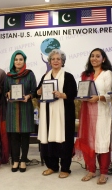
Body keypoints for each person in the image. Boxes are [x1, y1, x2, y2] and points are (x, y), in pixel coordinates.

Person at [74, 48, 112, 184]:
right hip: (87, 114)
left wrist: (98, 97)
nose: (94, 58)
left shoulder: (107, 73)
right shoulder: (85, 74)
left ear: (103, 59)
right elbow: (82, 90)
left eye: (98, 56)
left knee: (103, 142)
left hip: (102, 113)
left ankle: (104, 172)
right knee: (89, 141)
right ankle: (91, 170)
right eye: (92, 56)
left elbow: (111, 95)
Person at [36, 49, 77, 178]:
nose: (55, 61)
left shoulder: (68, 76)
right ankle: (52, 166)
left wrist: (62, 94)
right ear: (49, 62)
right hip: (48, 112)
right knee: (49, 139)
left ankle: (65, 168)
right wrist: (39, 91)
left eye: (58, 59)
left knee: (65, 141)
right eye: (53, 59)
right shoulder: (45, 77)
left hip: (64, 114)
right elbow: (37, 92)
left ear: (62, 61)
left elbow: (73, 94)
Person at [5, 50, 37, 172]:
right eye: (16, 59)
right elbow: (5, 91)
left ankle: (23, 160)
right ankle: (15, 161)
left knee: (25, 136)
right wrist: (7, 94)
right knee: (13, 137)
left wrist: (28, 96)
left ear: (24, 61)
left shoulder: (30, 74)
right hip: (12, 109)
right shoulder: (8, 76)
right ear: (13, 61)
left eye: (21, 59)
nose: (18, 61)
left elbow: (34, 91)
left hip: (25, 108)